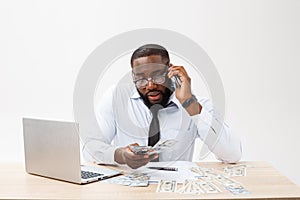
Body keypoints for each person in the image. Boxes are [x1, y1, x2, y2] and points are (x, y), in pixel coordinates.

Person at [83, 44, 242, 169]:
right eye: (141, 79)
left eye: (158, 75)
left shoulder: (196, 105)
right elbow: (90, 149)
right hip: (129, 191)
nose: (150, 85)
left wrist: (189, 103)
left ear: (171, 70)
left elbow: (232, 154)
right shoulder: (116, 98)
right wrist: (120, 155)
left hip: (175, 192)